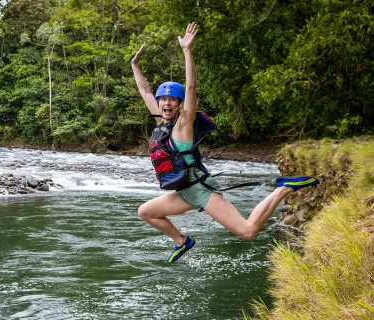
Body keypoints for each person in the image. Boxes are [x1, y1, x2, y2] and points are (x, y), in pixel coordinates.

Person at [131, 22, 319, 263]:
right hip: (183, 191)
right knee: (146, 211)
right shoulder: (161, 123)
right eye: (163, 99)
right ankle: (182, 241)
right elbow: (146, 91)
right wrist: (134, 65)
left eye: (172, 100)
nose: (167, 103)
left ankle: (283, 188)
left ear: (180, 105)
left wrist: (187, 50)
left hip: (200, 189)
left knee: (248, 231)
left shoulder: (183, 124)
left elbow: (191, 87)